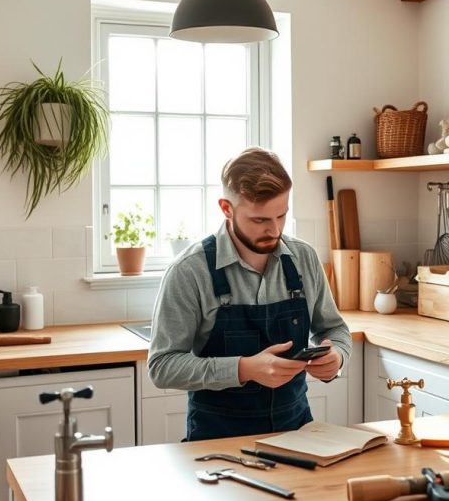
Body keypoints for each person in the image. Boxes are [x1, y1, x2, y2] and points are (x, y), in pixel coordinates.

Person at [149, 147, 351, 441]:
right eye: (260, 220)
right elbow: (162, 367)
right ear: (226, 208)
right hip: (217, 441)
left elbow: (334, 328)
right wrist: (244, 369)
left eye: (281, 215)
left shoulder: (303, 258)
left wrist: (338, 356)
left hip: (297, 435)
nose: (274, 229)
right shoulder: (189, 271)